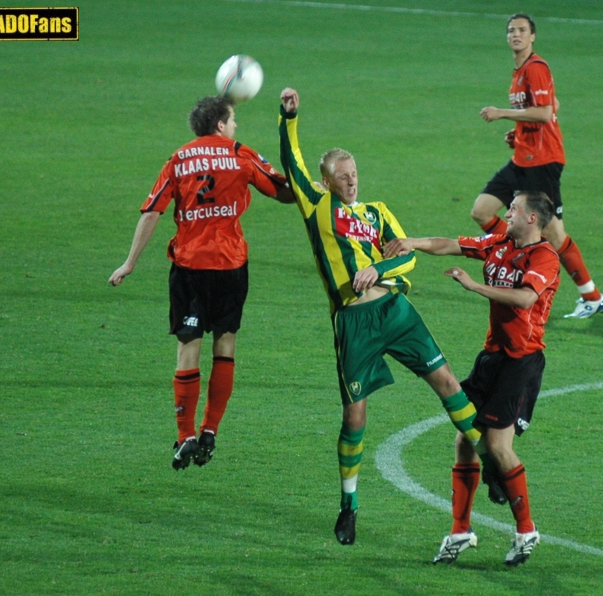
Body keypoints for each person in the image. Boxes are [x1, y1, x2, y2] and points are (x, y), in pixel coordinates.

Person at [277, 87, 486, 546]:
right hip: (353, 323)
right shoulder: (316, 205)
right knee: (354, 417)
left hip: (395, 309)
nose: (352, 181)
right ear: (327, 181)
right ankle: (348, 507)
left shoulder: (377, 211)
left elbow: (406, 256)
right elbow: (290, 164)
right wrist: (288, 118)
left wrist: (379, 267)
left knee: (449, 382)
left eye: (354, 173)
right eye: (343, 176)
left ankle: (491, 464)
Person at [109, 95, 294, 470]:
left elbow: (152, 212)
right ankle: (211, 429)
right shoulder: (240, 154)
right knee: (224, 345)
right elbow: (282, 192)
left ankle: (185, 435)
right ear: (221, 125)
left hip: (190, 266)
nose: (237, 125)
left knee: (187, 348)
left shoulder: (178, 159)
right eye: (234, 119)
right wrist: (312, 188)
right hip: (230, 265)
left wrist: (130, 262)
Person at [384, 190, 560, 567]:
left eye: (513, 209)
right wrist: (409, 242)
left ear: (532, 218)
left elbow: (526, 299)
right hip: (492, 357)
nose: (505, 213)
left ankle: (526, 530)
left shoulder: (544, 256)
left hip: (522, 362)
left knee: (497, 445)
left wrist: (474, 287)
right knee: (464, 439)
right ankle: (460, 531)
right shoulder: (499, 241)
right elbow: (450, 244)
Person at [471, 12, 603, 320]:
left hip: (543, 162)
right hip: (522, 158)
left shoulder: (535, 68)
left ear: (532, 37)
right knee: (481, 210)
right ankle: (515, 255)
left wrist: (503, 113)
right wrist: (518, 132)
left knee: (555, 235)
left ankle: (592, 296)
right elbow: (551, 106)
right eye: (511, 30)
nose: (515, 34)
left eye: (522, 30)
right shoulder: (519, 71)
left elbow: (545, 113)